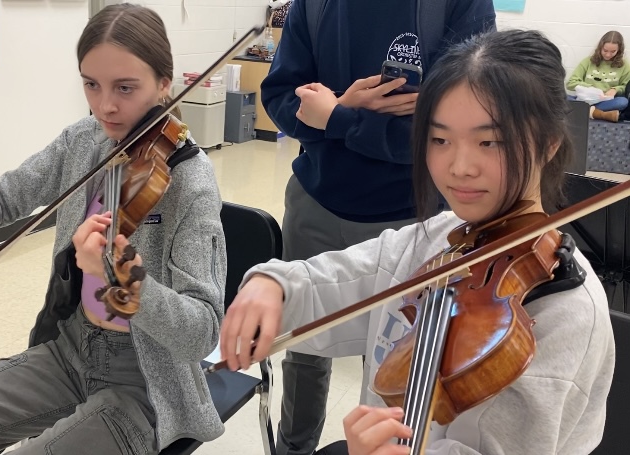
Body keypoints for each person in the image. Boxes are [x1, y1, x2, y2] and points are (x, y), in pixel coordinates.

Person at [221, 29, 615, 454]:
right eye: (439, 139)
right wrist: (275, 285)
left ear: (550, 143)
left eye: (490, 142)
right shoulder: (437, 238)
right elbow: (335, 281)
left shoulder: (568, 315)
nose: (459, 167)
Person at [0, 4, 227, 455]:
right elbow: (9, 193)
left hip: (145, 382)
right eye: (91, 84)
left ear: (164, 83)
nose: (105, 106)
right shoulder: (84, 141)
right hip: (68, 350)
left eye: (126, 87)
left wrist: (130, 287)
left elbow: (202, 332)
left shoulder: (191, 181)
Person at [259, 0, 496, 453]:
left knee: (392, 359)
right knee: (303, 350)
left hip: (411, 221)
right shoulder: (314, 5)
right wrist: (340, 110)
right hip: (316, 204)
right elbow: (282, 98)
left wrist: (337, 117)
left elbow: (445, 137)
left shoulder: (459, 5)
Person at [567, 30, 630, 123]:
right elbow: (570, 83)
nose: (608, 54)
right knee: (560, 96)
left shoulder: (624, 66)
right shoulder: (588, 61)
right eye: (605, 50)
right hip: (585, 99)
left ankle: (584, 111)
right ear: (600, 47)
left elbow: (626, 87)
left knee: (623, 102)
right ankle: (597, 113)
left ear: (619, 50)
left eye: (613, 52)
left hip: (604, 102)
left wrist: (615, 89)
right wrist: (590, 88)